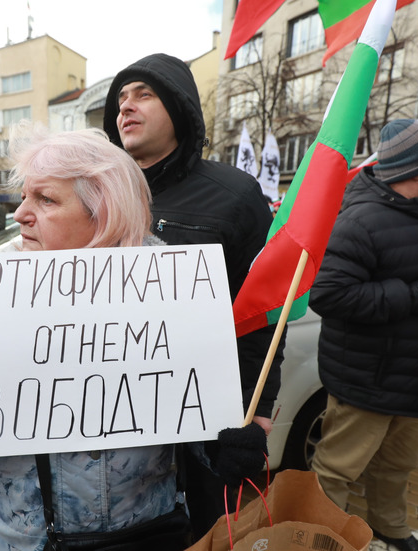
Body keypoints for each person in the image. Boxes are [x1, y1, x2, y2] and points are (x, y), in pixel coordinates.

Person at [0, 123, 269, 551]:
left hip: (137, 535)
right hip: (13, 541)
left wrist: (224, 445)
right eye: (24, 197)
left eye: (46, 199)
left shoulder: (172, 290)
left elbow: (191, 411)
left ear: (103, 213)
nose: (20, 214)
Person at [101, 53, 282, 537]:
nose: (126, 108)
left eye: (143, 94)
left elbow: (262, 311)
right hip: (116, 410)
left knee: (205, 529)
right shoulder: (94, 194)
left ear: (179, 108)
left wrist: (255, 408)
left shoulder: (236, 195)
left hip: (205, 413)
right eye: (120, 99)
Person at [308, 119, 418, 551]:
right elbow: (329, 294)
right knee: (339, 469)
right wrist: (412, 296)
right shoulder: (360, 220)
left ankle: (390, 526)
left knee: (399, 464)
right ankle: (322, 538)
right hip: (370, 377)